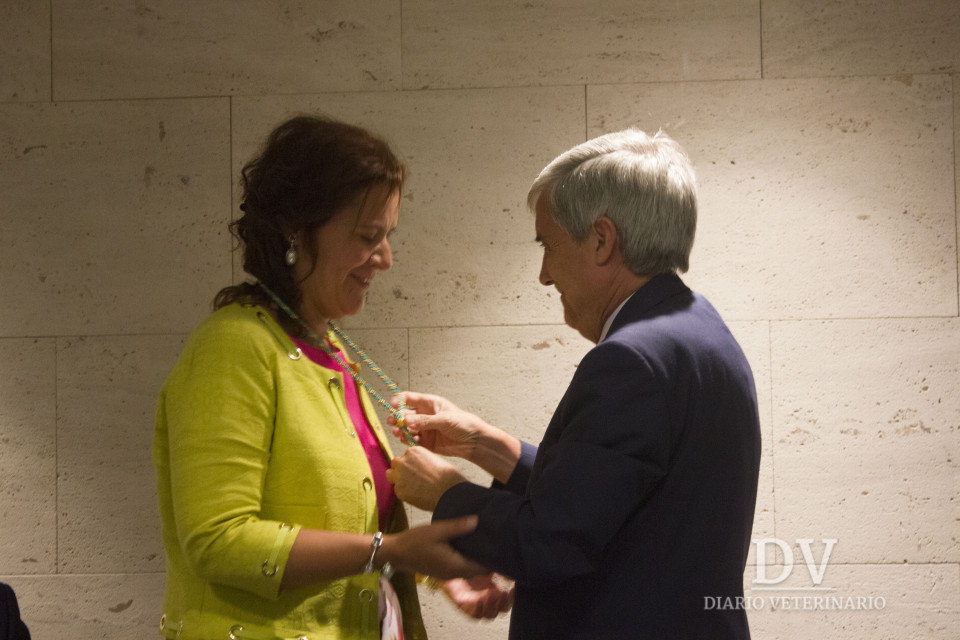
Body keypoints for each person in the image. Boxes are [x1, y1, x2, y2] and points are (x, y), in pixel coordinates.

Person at [387, 129, 762, 639]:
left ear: (602, 240)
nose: (544, 275)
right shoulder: (698, 328)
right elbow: (610, 493)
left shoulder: (630, 360)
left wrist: (446, 493)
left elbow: (552, 540)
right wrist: (484, 444)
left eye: (548, 244)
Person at [153, 115, 511, 640]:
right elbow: (218, 541)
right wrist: (390, 551)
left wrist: (429, 569)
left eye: (388, 237)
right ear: (297, 230)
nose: (386, 259)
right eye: (369, 237)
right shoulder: (232, 347)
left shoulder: (331, 349)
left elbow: (354, 533)